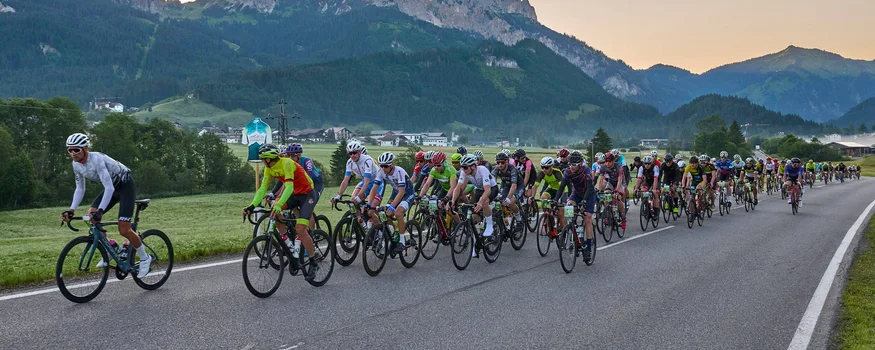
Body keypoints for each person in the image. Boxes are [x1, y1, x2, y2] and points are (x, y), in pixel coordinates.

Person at [60, 133, 152, 278]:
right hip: (112, 188)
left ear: (85, 149)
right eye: (69, 150)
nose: (73, 153)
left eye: (76, 150)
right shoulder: (76, 165)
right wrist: (72, 210)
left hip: (125, 186)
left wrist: (101, 211)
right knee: (91, 214)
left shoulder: (96, 160)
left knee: (124, 229)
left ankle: (145, 258)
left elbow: (108, 188)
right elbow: (80, 188)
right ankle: (111, 248)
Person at [243, 144, 318, 281]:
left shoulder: (287, 163)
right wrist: (252, 206)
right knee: (274, 213)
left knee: (301, 229)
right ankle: (288, 243)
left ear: (271, 158)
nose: (263, 161)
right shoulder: (269, 168)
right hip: (294, 194)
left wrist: (278, 204)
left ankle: (313, 262)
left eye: (264, 158)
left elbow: (288, 186)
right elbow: (262, 189)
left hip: (307, 195)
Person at [450, 154, 498, 257]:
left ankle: (489, 225)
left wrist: (480, 202)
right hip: (479, 189)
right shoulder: (464, 172)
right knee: (473, 217)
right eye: (462, 167)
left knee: (484, 202)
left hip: (491, 188)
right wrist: (453, 201)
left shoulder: (482, 170)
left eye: (465, 167)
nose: (463, 169)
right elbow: (458, 188)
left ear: (474, 166)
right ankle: (476, 243)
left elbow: (487, 190)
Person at [367, 152, 415, 252]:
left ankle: (402, 241)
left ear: (392, 164)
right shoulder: (381, 171)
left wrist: (392, 206)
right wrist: (369, 203)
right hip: (396, 192)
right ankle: (396, 231)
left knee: (397, 213)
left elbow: (402, 192)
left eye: (386, 166)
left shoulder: (399, 171)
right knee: (384, 214)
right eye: (381, 166)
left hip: (407, 193)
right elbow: (374, 188)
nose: (383, 169)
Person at [554, 151, 596, 260]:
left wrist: (585, 201)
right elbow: (562, 187)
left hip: (588, 195)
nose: (571, 167)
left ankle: (589, 248)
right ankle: (574, 237)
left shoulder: (586, 171)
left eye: (574, 165)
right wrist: (555, 200)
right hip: (576, 194)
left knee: (587, 218)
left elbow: (590, 187)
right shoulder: (568, 171)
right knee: (569, 209)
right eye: (570, 164)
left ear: (580, 164)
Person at [331, 140, 382, 218]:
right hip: (365, 181)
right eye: (350, 153)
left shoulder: (367, 161)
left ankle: (378, 228)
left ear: (360, 152)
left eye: (354, 153)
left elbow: (366, 182)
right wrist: (338, 195)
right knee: (353, 201)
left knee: (371, 209)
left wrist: (359, 196)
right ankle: (361, 223)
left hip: (377, 182)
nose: (352, 155)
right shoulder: (349, 163)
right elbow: (345, 180)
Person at [492, 152, 524, 225]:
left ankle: (519, 219)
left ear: (506, 162)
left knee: (510, 202)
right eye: (498, 162)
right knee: (500, 201)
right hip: (506, 185)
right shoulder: (496, 169)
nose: (500, 164)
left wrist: (508, 198)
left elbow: (514, 186)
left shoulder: (512, 169)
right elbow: (492, 183)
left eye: (502, 162)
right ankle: (506, 220)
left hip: (518, 186)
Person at [597, 153, 627, 229]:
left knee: (617, 198)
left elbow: (620, 180)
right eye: (606, 161)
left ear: (613, 161)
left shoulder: (619, 167)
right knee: (607, 195)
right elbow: (600, 180)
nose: (607, 163)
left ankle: (623, 218)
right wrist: (599, 190)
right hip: (611, 182)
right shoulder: (603, 167)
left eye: (609, 161)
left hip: (620, 183)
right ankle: (607, 215)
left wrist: (617, 191)